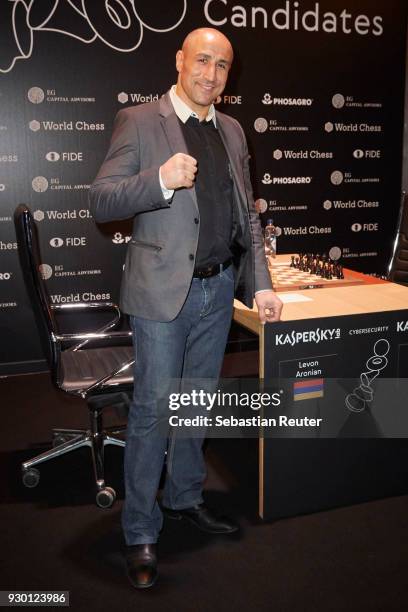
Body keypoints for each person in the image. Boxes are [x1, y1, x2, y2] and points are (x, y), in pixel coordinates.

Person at [89, 27, 283, 589]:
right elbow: (101, 199)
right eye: (202, 61)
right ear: (179, 61)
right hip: (162, 293)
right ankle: (140, 530)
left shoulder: (233, 129)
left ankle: (184, 498)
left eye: (222, 66)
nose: (211, 74)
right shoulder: (140, 120)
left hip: (219, 288)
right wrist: (159, 181)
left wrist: (260, 283)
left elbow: (246, 214)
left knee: (197, 401)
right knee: (152, 409)